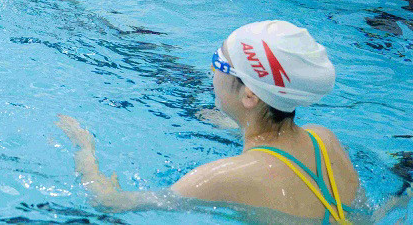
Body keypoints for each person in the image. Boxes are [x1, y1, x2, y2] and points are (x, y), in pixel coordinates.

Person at [56, 20, 358, 222]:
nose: (212, 73)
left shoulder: (219, 178)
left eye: (219, 63)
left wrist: (84, 150)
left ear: (250, 97)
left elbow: (109, 203)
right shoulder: (324, 139)